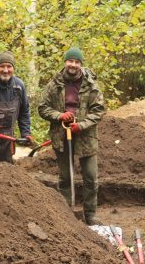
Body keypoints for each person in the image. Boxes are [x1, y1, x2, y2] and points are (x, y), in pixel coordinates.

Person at [38, 47, 105, 226]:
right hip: (61, 134)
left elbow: (98, 110)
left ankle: (90, 214)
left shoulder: (91, 84)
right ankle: (66, 214)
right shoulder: (54, 84)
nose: (73, 65)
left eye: (76, 62)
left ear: (81, 64)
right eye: (70, 61)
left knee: (91, 176)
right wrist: (59, 115)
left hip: (85, 135)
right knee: (65, 177)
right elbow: (42, 107)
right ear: (65, 62)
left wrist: (81, 125)